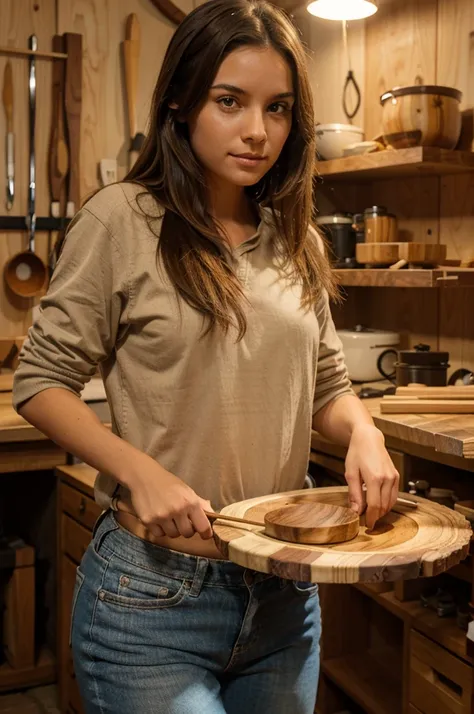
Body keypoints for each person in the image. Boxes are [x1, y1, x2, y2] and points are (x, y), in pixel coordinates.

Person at [12, 0, 399, 711]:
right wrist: (139, 472)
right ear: (183, 103)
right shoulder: (122, 219)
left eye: (277, 108)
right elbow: (40, 383)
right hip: (152, 595)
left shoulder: (297, 240)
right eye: (230, 101)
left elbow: (328, 386)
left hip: (285, 594)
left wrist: (365, 433)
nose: (258, 130)